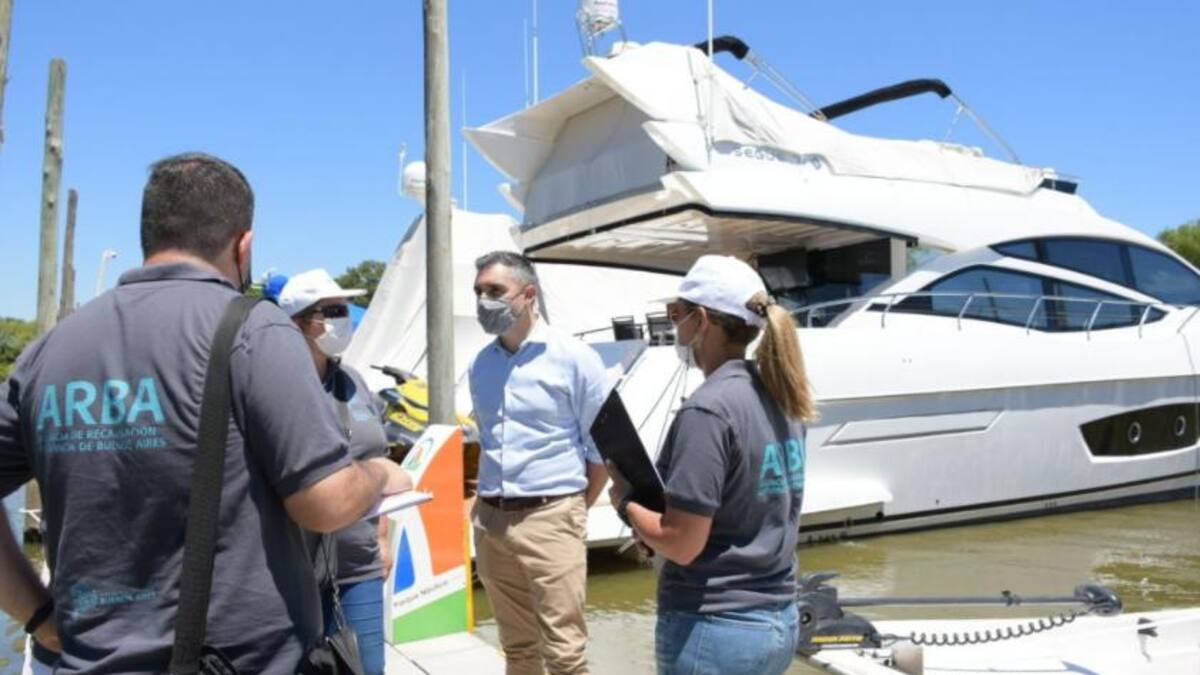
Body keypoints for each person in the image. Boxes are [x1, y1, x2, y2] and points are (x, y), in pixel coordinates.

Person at [0, 152, 409, 673]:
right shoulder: (252, 330)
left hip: (83, 660)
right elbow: (324, 503)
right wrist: (377, 474)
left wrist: (36, 616)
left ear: (149, 233)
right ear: (244, 246)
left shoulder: (50, 351)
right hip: (235, 660)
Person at [607, 255, 816, 675]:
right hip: (777, 618)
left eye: (675, 314)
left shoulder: (708, 410)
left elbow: (682, 542)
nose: (674, 325)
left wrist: (626, 503)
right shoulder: (785, 396)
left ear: (700, 320)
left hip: (715, 626)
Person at [468, 251, 609, 675]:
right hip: (492, 520)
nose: (482, 301)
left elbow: (600, 449)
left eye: (495, 291)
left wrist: (573, 509)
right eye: (478, 292)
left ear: (528, 294)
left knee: (565, 655)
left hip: (552, 515)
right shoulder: (481, 365)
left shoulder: (575, 358)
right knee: (518, 650)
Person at [278, 268, 400, 675]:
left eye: (343, 308)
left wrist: (381, 538)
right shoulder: (274, 386)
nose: (342, 318)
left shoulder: (354, 382)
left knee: (365, 669)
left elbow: (378, 457)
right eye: (330, 311)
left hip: (357, 565)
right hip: (289, 572)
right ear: (297, 323)